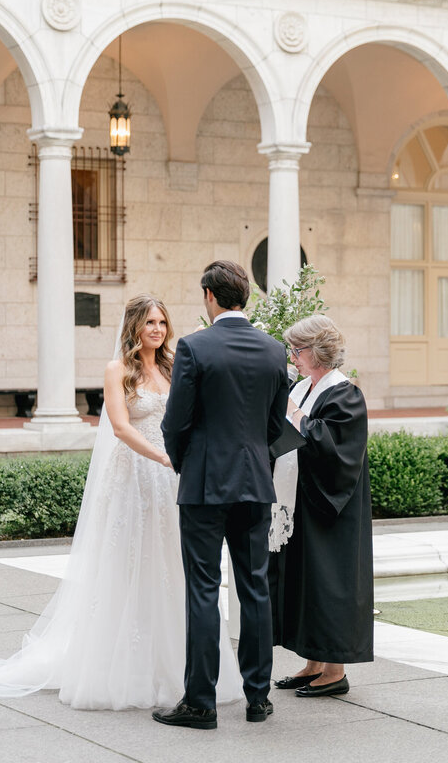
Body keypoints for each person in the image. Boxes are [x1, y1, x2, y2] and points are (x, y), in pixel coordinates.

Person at [0, 294, 242, 710]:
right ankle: (120, 669)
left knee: (172, 567)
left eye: (162, 323)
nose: (157, 329)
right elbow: (120, 426)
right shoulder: (117, 369)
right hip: (135, 474)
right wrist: (160, 455)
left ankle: (177, 668)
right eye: (150, 322)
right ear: (135, 326)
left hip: (173, 480)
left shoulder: (176, 367)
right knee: (129, 565)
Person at [155, 261, 290, 730]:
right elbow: (276, 426)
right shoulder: (275, 350)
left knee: (203, 589)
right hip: (255, 484)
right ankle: (259, 698)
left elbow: (175, 422)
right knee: (254, 587)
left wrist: (184, 463)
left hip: (205, 485)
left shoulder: (195, 346)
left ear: (211, 296)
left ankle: (201, 703)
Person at [272, 315, 373, 697]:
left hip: (333, 505)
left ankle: (335, 670)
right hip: (300, 500)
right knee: (305, 583)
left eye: (297, 350)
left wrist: (294, 415)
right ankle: (313, 662)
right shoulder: (302, 387)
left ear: (317, 351)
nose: (293, 357)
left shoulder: (344, 393)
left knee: (330, 583)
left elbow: (332, 447)